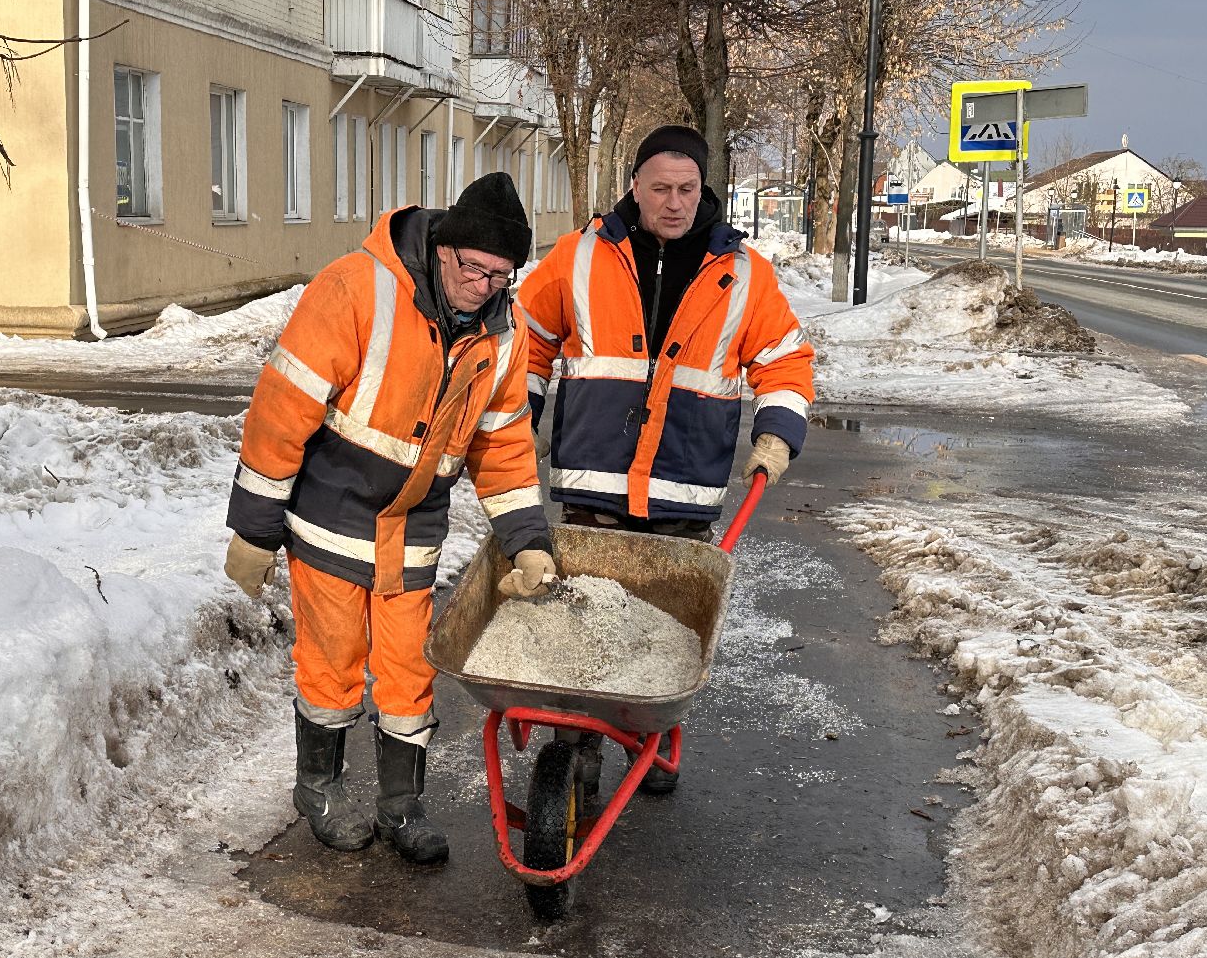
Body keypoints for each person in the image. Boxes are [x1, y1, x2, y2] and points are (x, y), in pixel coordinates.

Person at [224, 173, 556, 864]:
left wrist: (527, 541)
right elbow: (283, 408)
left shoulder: (502, 331)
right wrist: (255, 527)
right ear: (443, 249)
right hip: (330, 516)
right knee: (333, 663)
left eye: (501, 275)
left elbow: (505, 445)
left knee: (408, 672)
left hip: (414, 527)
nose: (485, 286)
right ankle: (319, 788)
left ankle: (402, 806)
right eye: (474, 268)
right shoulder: (356, 288)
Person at [517, 124, 814, 794]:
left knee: (664, 633)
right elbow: (529, 340)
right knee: (584, 629)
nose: (674, 203)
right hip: (594, 488)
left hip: (685, 490)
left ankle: (651, 734)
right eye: (660, 189)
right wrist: (523, 417)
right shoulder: (578, 257)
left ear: (701, 190)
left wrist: (777, 433)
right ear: (635, 186)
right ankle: (581, 750)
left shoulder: (742, 275)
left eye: (686, 189)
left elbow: (786, 360)